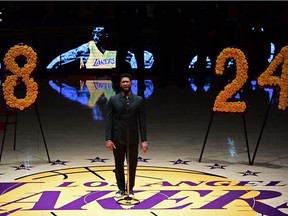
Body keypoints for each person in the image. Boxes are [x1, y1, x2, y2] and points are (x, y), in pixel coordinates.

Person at [105, 73, 148, 198]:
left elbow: (142, 121)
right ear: (120, 84)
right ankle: (120, 188)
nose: (125, 84)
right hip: (117, 137)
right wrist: (108, 138)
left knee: (132, 165)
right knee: (118, 164)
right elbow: (109, 120)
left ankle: (130, 188)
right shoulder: (113, 100)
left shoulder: (139, 100)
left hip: (133, 138)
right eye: (123, 82)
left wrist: (144, 140)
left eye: (127, 82)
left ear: (131, 83)